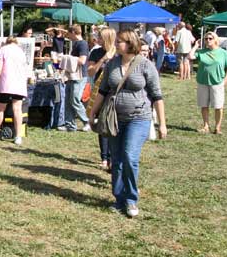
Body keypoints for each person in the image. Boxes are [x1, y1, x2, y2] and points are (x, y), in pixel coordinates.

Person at [88, 29, 167, 218]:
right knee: (117, 160)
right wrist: (92, 112)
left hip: (139, 117)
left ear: (130, 43)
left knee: (130, 156)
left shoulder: (146, 65)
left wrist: (162, 123)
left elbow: (157, 96)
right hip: (115, 118)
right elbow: (103, 91)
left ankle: (131, 199)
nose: (116, 45)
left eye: (120, 42)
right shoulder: (112, 65)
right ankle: (119, 198)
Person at [0, 36, 29, 145]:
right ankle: (18, 136)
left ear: (6, 42)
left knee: (0, 110)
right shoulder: (21, 52)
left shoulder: (3, 50)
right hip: (19, 84)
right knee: (17, 110)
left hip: (6, 83)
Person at [190, 31, 227, 134]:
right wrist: (195, 46)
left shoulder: (223, 53)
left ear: (215, 40)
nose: (208, 40)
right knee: (204, 105)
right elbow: (190, 57)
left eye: (210, 38)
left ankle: (217, 128)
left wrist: (225, 80)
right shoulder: (202, 52)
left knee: (218, 106)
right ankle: (206, 126)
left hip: (217, 82)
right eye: (206, 39)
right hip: (202, 82)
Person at [87, 27, 116, 170]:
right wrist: (103, 59)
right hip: (99, 91)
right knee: (101, 123)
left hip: (115, 92)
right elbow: (91, 72)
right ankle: (104, 157)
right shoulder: (96, 52)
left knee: (113, 123)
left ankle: (112, 157)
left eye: (99, 36)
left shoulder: (118, 52)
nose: (97, 39)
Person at [58, 25, 90, 132]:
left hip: (79, 76)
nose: (68, 36)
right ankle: (70, 125)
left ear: (73, 32)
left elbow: (82, 61)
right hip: (72, 76)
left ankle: (87, 122)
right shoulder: (76, 44)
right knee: (68, 100)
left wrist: (66, 58)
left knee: (75, 100)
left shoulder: (83, 44)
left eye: (69, 33)